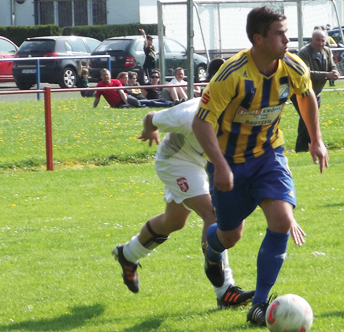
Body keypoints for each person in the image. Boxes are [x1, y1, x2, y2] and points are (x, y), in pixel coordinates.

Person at [192, 6, 329, 327]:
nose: (287, 39)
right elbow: (201, 124)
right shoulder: (231, 74)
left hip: (269, 155)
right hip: (230, 164)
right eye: (280, 34)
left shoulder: (293, 65)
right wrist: (220, 165)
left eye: (287, 32)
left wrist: (315, 139)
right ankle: (213, 251)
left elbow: (306, 97)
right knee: (230, 236)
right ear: (258, 38)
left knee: (281, 220)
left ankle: (260, 303)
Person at [111, 59, 259, 307]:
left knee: (174, 222)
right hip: (176, 161)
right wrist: (150, 131)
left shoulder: (241, 110)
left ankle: (128, 254)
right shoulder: (190, 113)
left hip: (202, 164)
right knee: (214, 214)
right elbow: (151, 116)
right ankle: (225, 292)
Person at [289, 28, 339, 152]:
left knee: (307, 119)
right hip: (300, 92)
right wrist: (326, 75)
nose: (320, 43)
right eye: (317, 40)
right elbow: (306, 73)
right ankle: (311, 145)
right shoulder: (303, 53)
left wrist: (335, 72)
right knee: (307, 118)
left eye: (323, 40)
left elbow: (332, 66)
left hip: (316, 92)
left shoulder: (327, 51)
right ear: (311, 40)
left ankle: (304, 147)